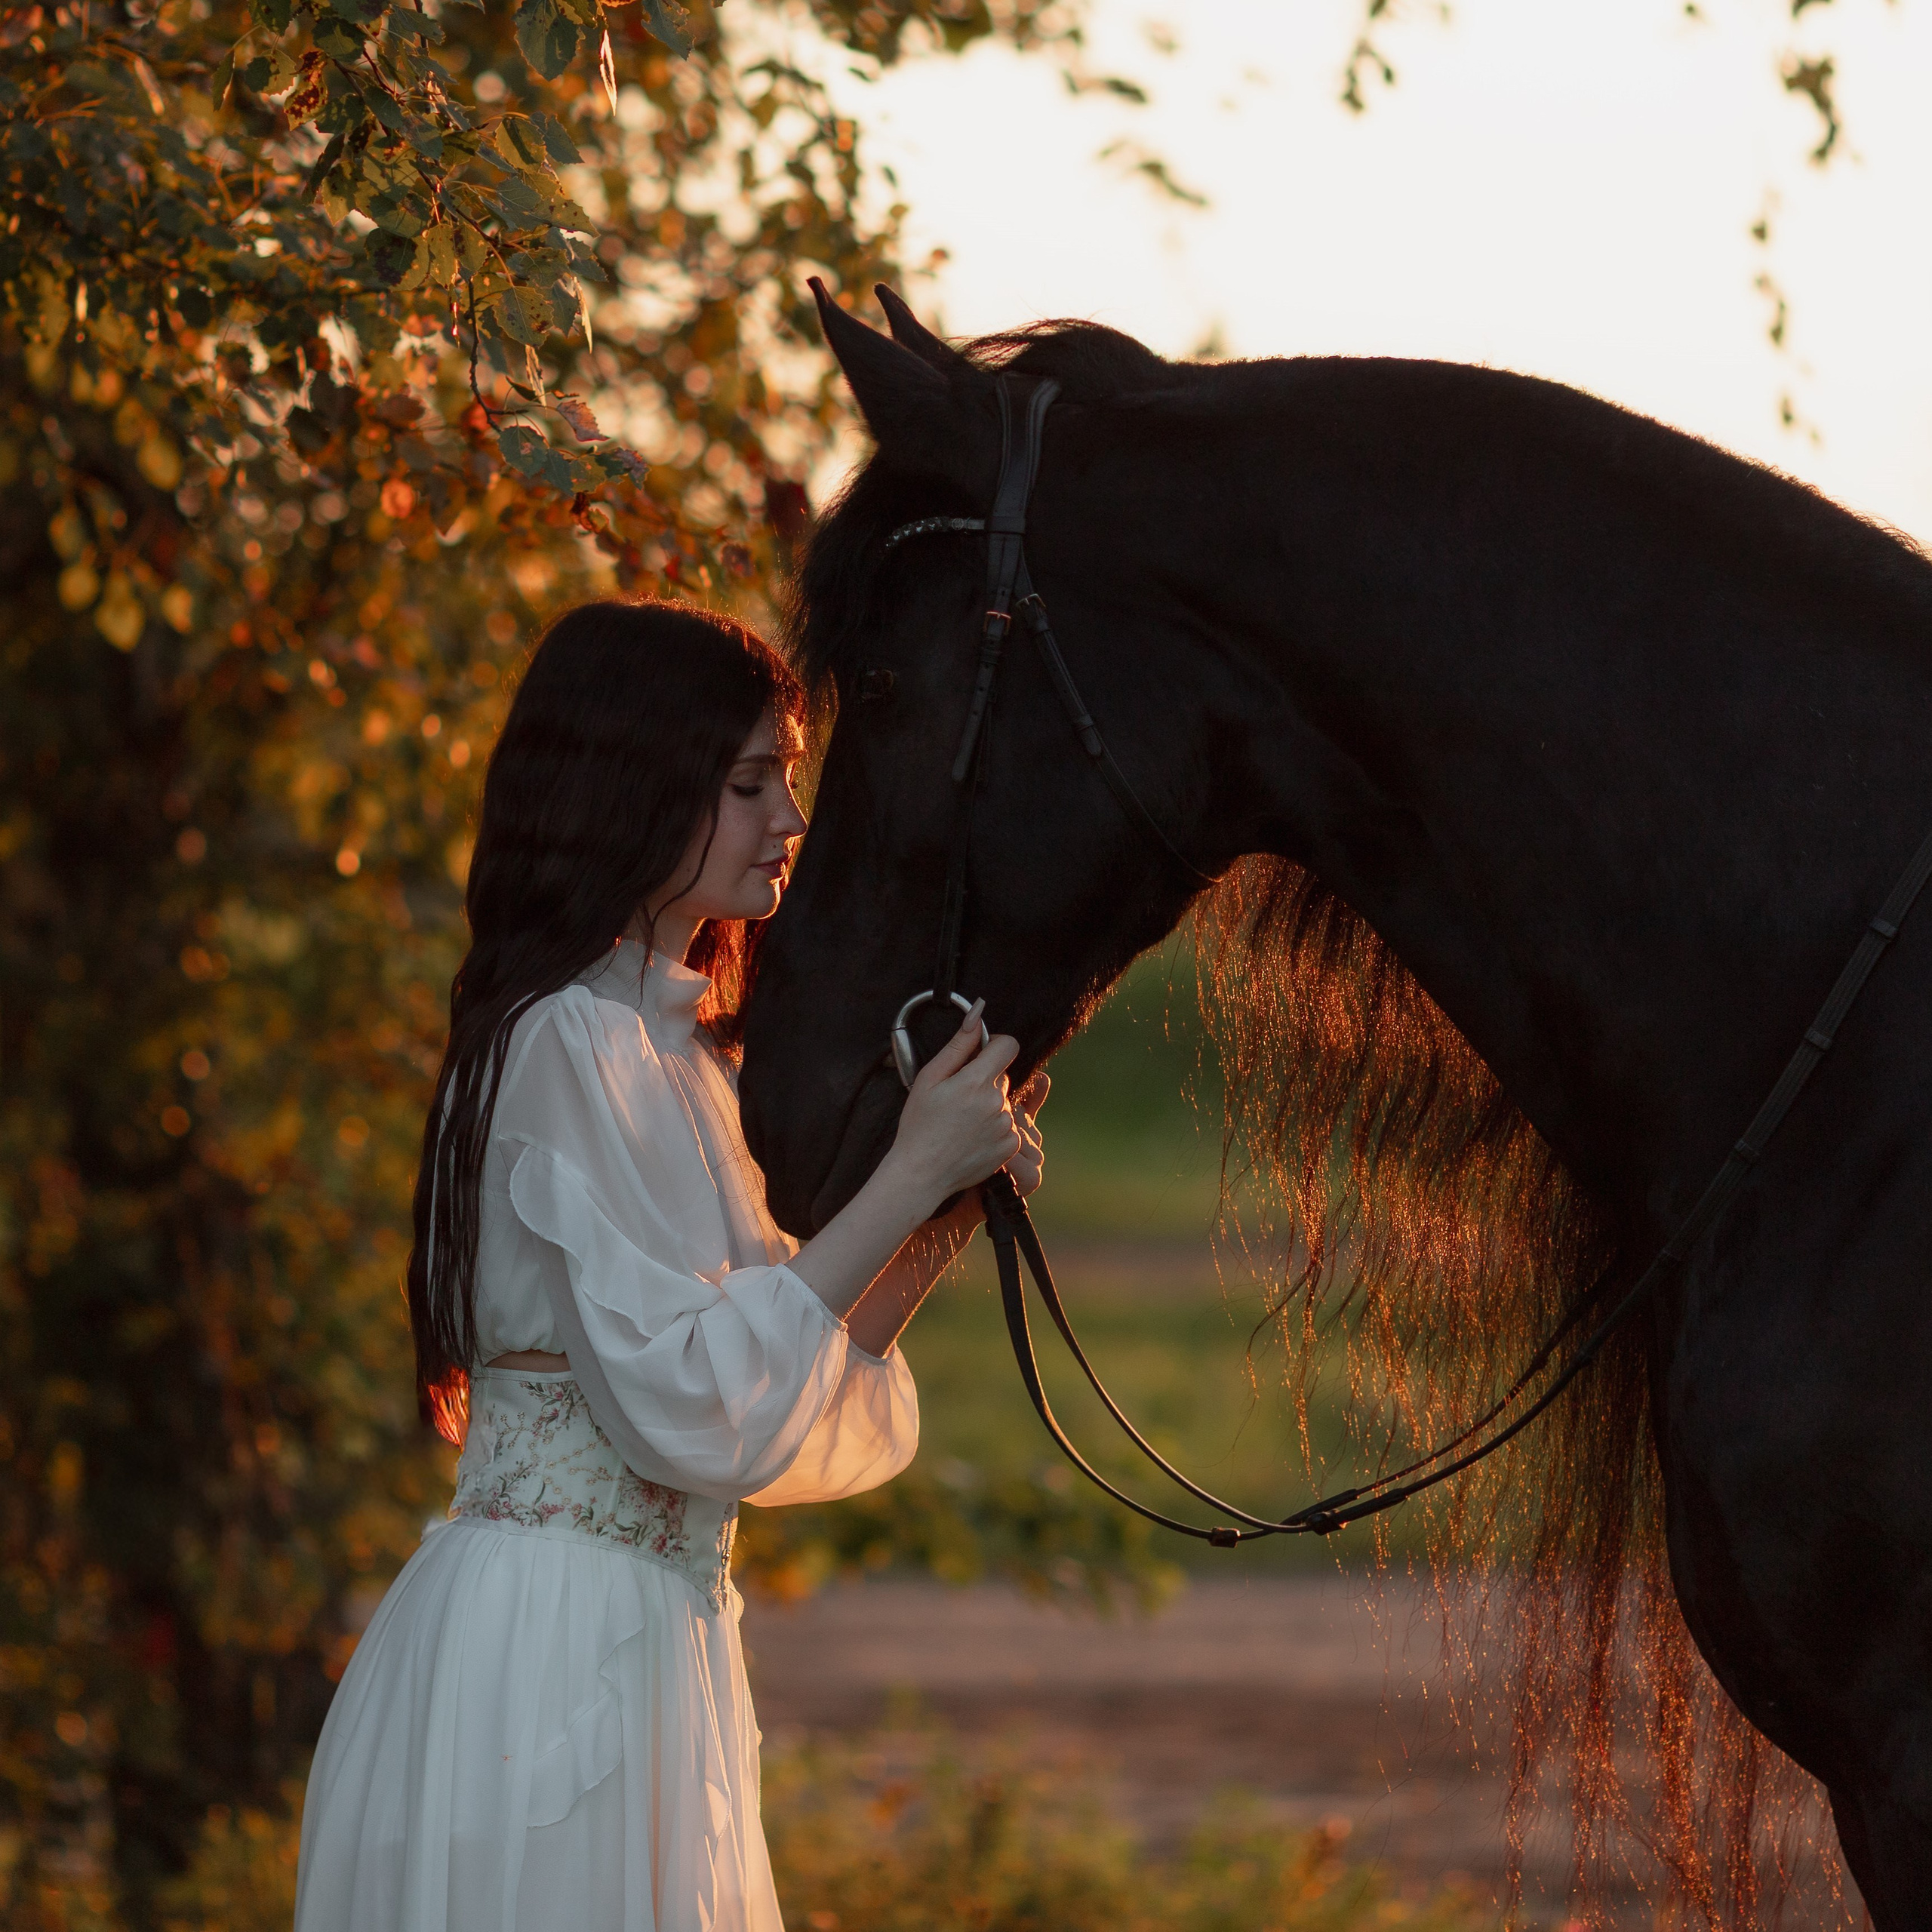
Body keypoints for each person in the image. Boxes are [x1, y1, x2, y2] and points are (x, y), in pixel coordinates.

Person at [294, 600, 1046, 1932]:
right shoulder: (564, 1041)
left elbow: (771, 1397)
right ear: (637, 778)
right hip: (544, 1657)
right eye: (754, 782)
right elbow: (694, 1397)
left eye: (790, 784)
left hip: (647, 1638)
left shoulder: (685, 1062)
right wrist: (910, 1174)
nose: (790, 825)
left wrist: (946, 1210)